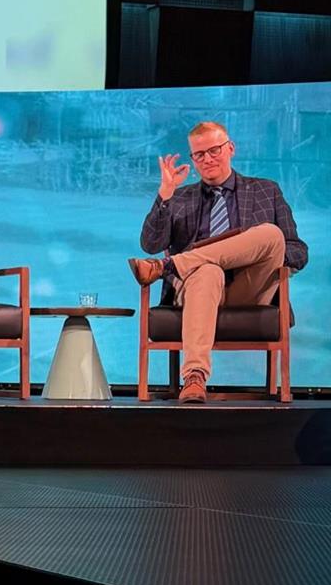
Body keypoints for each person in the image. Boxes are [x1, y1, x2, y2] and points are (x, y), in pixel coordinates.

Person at [128, 119, 308, 403]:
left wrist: (254, 250)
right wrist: (165, 194)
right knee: (208, 271)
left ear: (230, 148)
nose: (208, 159)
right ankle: (195, 377)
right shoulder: (180, 197)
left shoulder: (266, 190)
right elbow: (150, 244)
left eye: (214, 150)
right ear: (193, 159)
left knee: (271, 234)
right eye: (199, 154)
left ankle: (171, 265)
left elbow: (298, 251)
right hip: (197, 287)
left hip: (250, 288)